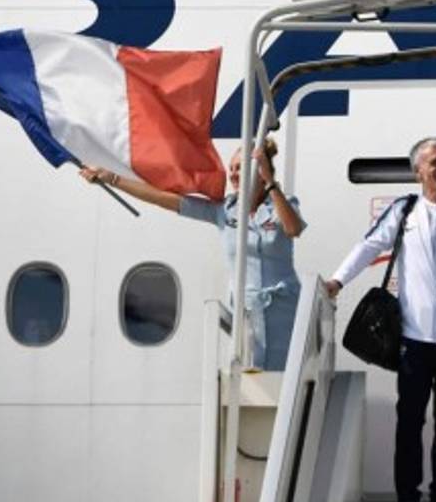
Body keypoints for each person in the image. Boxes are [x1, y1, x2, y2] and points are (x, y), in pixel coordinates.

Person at [325, 137, 436, 502]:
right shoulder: (405, 211)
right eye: (435, 163)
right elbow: (369, 246)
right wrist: (337, 280)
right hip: (414, 339)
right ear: (419, 171)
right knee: (410, 421)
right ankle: (407, 497)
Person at [81, 139, 304, 371]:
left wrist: (270, 184)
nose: (234, 175)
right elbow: (165, 199)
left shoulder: (283, 203)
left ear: (259, 170)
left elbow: (292, 229)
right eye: (232, 169)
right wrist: (114, 179)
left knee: (287, 379)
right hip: (246, 314)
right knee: (254, 383)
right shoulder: (224, 211)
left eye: (240, 168)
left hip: (284, 311)